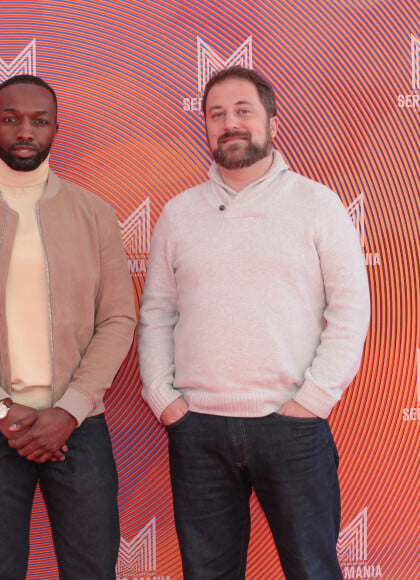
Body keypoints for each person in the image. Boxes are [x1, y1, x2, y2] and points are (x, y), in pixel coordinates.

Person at [138, 66, 370, 580]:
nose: (230, 123)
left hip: (292, 428)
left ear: (272, 121)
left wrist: (311, 402)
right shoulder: (178, 214)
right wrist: (166, 401)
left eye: (243, 111)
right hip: (198, 431)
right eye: (217, 114)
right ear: (205, 126)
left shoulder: (317, 203)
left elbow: (351, 308)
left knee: (312, 570)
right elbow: (156, 314)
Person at [0, 74, 136, 580]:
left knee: (92, 569)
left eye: (39, 121)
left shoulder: (96, 215)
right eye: (11, 118)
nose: (24, 131)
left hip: (78, 427)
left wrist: (71, 409)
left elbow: (119, 319)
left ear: (56, 130)